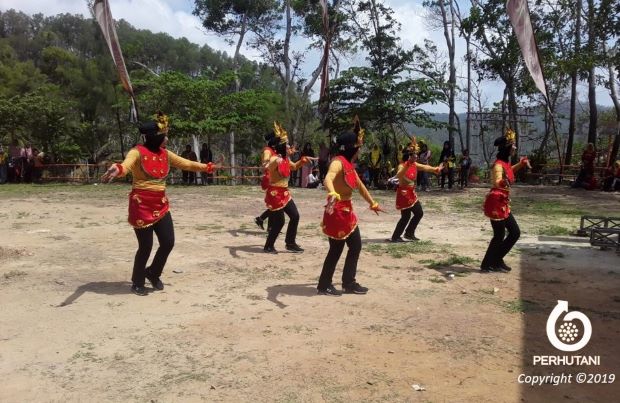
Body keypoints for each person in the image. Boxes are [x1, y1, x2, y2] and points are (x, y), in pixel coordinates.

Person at [101, 112, 220, 296]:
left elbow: (187, 164)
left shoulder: (165, 154)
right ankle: (137, 281)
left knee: (168, 242)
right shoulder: (137, 152)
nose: (167, 138)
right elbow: (125, 166)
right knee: (146, 246)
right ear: (156, 137)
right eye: (164, 135)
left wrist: (207, 167)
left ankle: (153, 272)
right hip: (141, 205)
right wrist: (116, 169)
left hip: (161, 204)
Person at [318, 117, 384, 296]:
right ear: (352, 148)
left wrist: (373, 203)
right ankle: (324, 285)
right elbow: (328, 178)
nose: (360, 150)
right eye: (359, 147)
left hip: (347, 213)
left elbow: (360, 186)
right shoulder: (337, 162)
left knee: (355, 246)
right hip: (337, 211)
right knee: (337, 249)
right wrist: (331, 192)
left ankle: (348, 282)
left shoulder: (349, 165)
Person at [480, 128, 530, 273]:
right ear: (507, 148)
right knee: (499, 235)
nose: (515, 147)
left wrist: (521, 164)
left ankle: (496, 260)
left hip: (503, 202)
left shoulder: (505, 163)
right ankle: (487, 264)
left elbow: (508, 172)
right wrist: (503, 182)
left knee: (514, 232)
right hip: (496, 202)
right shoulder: (498, 165)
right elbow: (497, 181)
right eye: (513, 145)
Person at [263, 122, 311, 253]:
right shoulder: (275, 159)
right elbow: (266, 167)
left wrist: (302, 161)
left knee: (295, 216)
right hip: (275, 193)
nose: (289, 146)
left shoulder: (284, 159)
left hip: (284, 192)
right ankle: (268, 245)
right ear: (281, 146)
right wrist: (271, 161)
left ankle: (290, 243)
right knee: (279, 222)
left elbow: (294, 167)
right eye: (287, 144)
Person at [390, 137, 442, 242]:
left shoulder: (414, 164)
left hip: (411, 192)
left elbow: (424, 167)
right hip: (404, 194)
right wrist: (407, 164)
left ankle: (408, 233)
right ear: (409, 156)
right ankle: (397, 236)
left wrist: (435, 169)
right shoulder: (401, 165)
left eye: (416, 154)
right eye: (414, 154)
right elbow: (399, 174)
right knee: (408, 216)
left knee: (417, 213)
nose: (416, 156)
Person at [255, 131, 279, 230]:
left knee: (275, 204)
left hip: (275, 178)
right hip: (270, 179)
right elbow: (266, 162)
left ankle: (264, 221)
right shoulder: (267, 150)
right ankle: (267, 224)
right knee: (276, 204)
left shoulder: (273, 150)